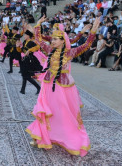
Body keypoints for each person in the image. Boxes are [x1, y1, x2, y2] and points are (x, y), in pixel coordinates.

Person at [25, 17, 100, 157]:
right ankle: (44, 136)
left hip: (63, 87)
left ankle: (66, 136)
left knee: (64, 113)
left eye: (55, 39)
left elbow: (87, 45)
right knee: (47, 110)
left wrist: (93, 31)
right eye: (52, 39)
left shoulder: (70, 52)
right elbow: (39, 40)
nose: (52, 41)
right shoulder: (49, 50)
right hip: (48, 85)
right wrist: (38, 25)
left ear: (62, 40)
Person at [16, 29, 42, 94]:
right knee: (24, 75)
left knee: (26, 76)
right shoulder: (25, 42)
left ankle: (38, 87)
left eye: (25, 35)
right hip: (24, 60)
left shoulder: (31, 42)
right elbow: (21, 50)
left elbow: (38, 47)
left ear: (28, 36)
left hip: (29, 60)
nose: (24, 36)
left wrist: (29, 50)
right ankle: (23, 90)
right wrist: (18, 47)